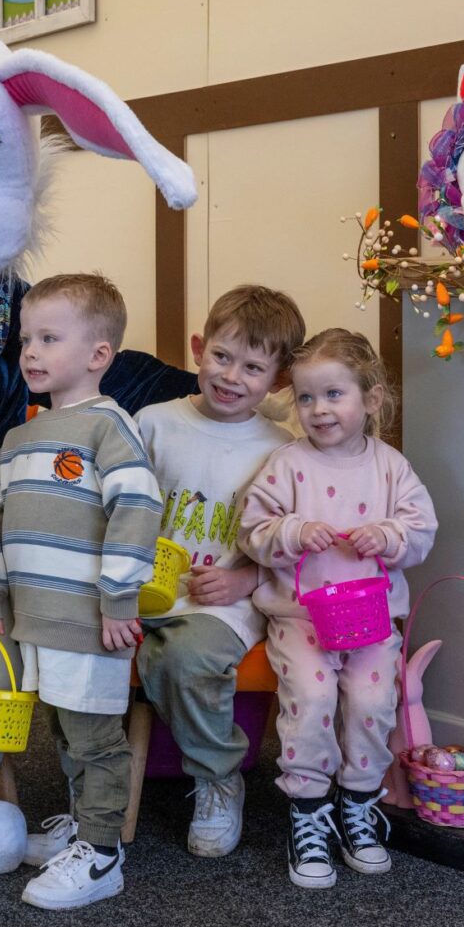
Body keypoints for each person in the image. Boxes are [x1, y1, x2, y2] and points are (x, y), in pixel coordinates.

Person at [0, 273, 163, 910]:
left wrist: (118, 600)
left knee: (96, 735)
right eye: (26, 339)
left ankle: (103, 854)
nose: (30, 352)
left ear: (98, 356)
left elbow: (138, 507)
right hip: (34, 619)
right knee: (65, 728)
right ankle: (82, 825)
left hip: (88, 618)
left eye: (49, 338)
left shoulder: (109, 428)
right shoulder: (17, 441)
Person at [240, 328, 438, 889]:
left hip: (371, 622)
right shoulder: (287, 465)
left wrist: (391, 535)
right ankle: (307, 814)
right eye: (306, 398)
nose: (318, 410)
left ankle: (358, 801)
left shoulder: (391, 467)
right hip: (301, 619)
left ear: (370, 399)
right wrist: (295, 531)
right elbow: (253, 532)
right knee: (311, 697)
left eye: (333, 395)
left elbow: (422, 531)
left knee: (375, 701)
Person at [132, 285, 305, 858]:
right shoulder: (153, 423)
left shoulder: (281, 449)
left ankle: (216, 778)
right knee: (74, 647)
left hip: (221, 602)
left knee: (184, 657)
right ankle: (95, 788)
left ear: (278, 381)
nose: (232, 376)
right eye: (222, 357)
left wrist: (246, 580)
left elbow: (289, 541)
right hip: (140, 591)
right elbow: (119, 505)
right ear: (198, 348)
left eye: (254, 368)